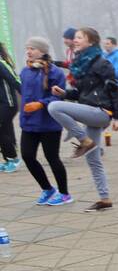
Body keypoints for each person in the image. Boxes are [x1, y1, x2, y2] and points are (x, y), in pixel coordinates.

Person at [47, 27, 118, 212]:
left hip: (101, 112)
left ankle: (83, 140)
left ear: (91, 41)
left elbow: (114, 90)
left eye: (80, 37)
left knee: (53, 107)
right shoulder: (81, 64)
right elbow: (83, 94)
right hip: (90, 111)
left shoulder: (102, 63)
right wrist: (64, 93)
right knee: (93, 159)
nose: (75, 40)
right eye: (75, 37)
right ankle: (105, 199)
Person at [18, 38, 70, 204]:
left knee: (52, 158)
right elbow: (24, 94)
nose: (28, 51)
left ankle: (64, 194)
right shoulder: (25, 71)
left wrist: (40, 103)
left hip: (49, 123)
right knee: (27, 156)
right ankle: (47, 189)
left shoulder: (56, 72)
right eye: (27, 48)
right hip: (29, 123)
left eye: (32, 48)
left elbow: (58, 96)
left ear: (42, 51)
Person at [0, 41, 20, 172]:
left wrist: (28, 96)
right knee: (5, 130)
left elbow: (14, 80)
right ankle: (8, 160)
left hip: (9, 103)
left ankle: (13, 158)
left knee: (2, 130)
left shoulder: (1, 63)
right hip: (2, 104)